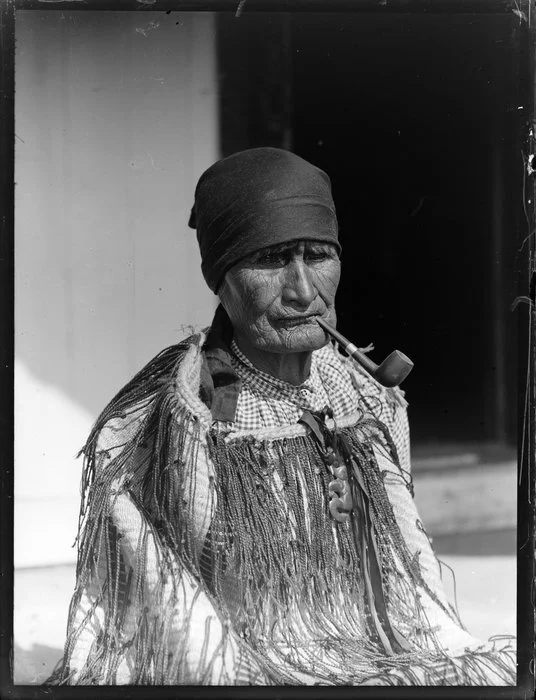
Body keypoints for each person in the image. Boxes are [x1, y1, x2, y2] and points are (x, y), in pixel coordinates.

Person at [51, 147, 516, 686]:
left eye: (317, 255)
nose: (301, 290)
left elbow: (405, 566)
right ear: (222, 283)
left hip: (374, 647)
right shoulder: (168, 419)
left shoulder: (362, 394)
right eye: (270, 261)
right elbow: (166, 618)